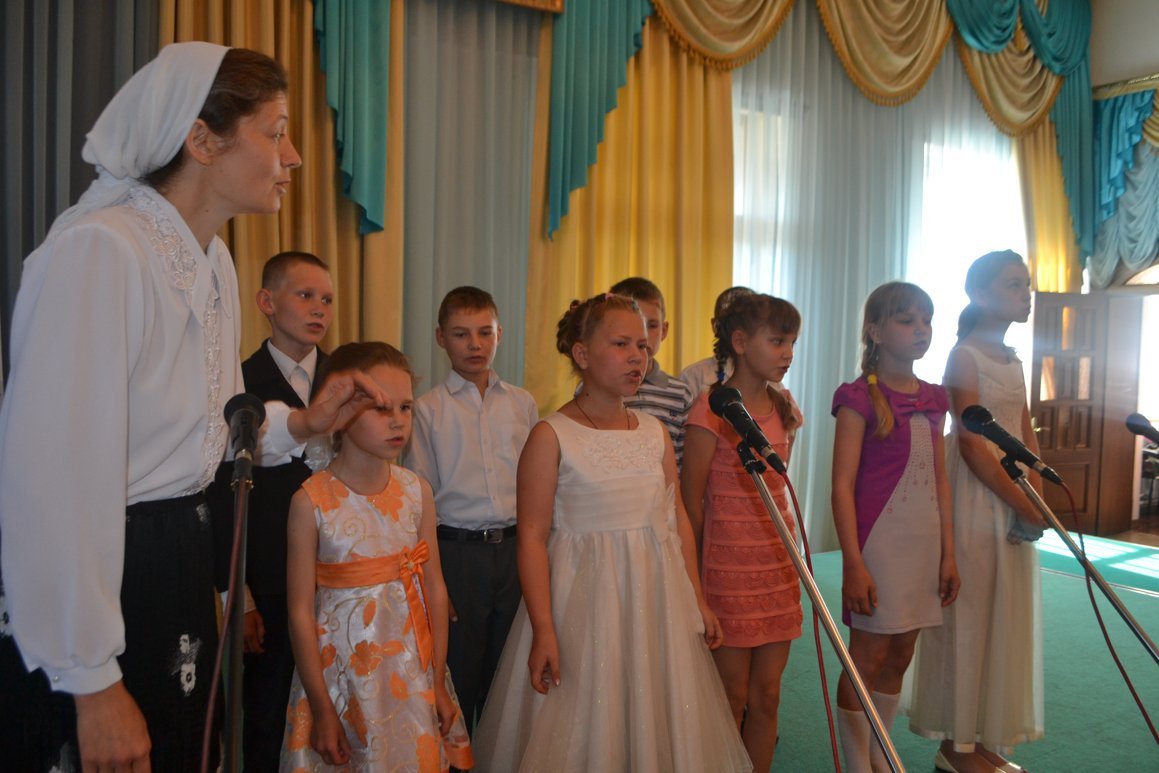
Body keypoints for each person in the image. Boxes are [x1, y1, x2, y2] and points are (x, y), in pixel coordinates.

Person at [0, 43, 381, 772]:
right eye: (275, 132)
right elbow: (54, 483)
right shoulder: (99, 252)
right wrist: (93, 683)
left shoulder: (211, 260)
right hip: (112, 576)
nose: (293, 156)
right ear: (202, 139)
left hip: (181, 554)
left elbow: (199, 426)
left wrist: (301, 424)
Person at [471, 294, 751, 772]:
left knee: (653, 711)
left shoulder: (653, 431)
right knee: (586, 719)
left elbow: (676, 519)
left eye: (642, 345)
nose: (637, 356)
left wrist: (697, 598)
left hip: (654, 601)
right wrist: (544, 629)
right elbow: (532, 538)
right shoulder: (551, 435)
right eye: (621, 344)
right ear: (582, 354)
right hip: (584, 606)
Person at [281, 342, 473, 772]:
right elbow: (299, 613)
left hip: (411, 676)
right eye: (381, 408)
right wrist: (322, 707)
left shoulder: (416, 492)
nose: (398, 420)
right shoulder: (311, 502)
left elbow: (434, 589)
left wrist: (438, 681)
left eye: (405, 407)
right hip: (340, 681)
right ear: (342, 413)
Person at [909, 250, 1044, 773]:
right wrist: (1020, 502)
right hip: (975, 498)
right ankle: (955, 747)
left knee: (1001, 616)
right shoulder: (965, 356)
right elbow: (969, 442)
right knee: (968, 617)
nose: (1025, 294)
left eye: (1025, 284)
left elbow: (1024, 429)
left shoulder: (1012, 358)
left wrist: (1035, 493)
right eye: (1013, 285)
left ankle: (984, 740)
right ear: (980, 294)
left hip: (1012, 492)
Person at [208, 250, 335, 772]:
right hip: (270, 578)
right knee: (267, 714)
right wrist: (238, 597)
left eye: (327, 299)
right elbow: (221, 497)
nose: (319, 308)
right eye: (305, 295)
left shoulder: (345, 378)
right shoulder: (237, 385)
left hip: (337, 576)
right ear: (266, 302)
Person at [830, 282, 959, 772]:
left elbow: (940, 481)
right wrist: (853, 563)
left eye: (927, 320)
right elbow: (841, 486)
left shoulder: (935, 398)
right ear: (876, 331)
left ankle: (880, 750)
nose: (921, 329)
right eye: (907, 320)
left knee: (902, 652)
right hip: (879, 547)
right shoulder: (857, 397)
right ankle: (856, 761)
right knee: (867, 655)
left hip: (923, 545)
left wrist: (948, 553)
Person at [680, 292, 804, 773]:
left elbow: (779, 489)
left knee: (767, 696)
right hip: (728, 573)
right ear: (739, 342)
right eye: (776, 341)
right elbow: (691, 502)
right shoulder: (709, 409)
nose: (787, 353)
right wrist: (694, 582)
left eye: (791, 343)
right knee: (730, 697)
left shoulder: (784, 406)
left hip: (777, 569)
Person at [407, 286, 539, 735]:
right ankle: (457, 759)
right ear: (441, 338)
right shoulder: (427, 410)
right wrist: (433, 578)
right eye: (461, 334)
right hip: (457, 553)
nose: (475, 344)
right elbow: (421, 497)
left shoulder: (522, 404)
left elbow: (536, 485)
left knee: (507, 674)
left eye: (485, 332)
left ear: (500, 334)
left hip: (516, 549)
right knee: (459, 672)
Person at [608, 277, 696, 467]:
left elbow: (684, 461)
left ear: (664, 330)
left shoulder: (680, 393)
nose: (644, 335)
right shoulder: (600, 387)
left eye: (652, 325)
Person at [679, 285, 755, 396]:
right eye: (732, 324)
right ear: (715, 326)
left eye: (750, 325)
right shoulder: (693, 376)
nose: (741, 335)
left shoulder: (770, 380)